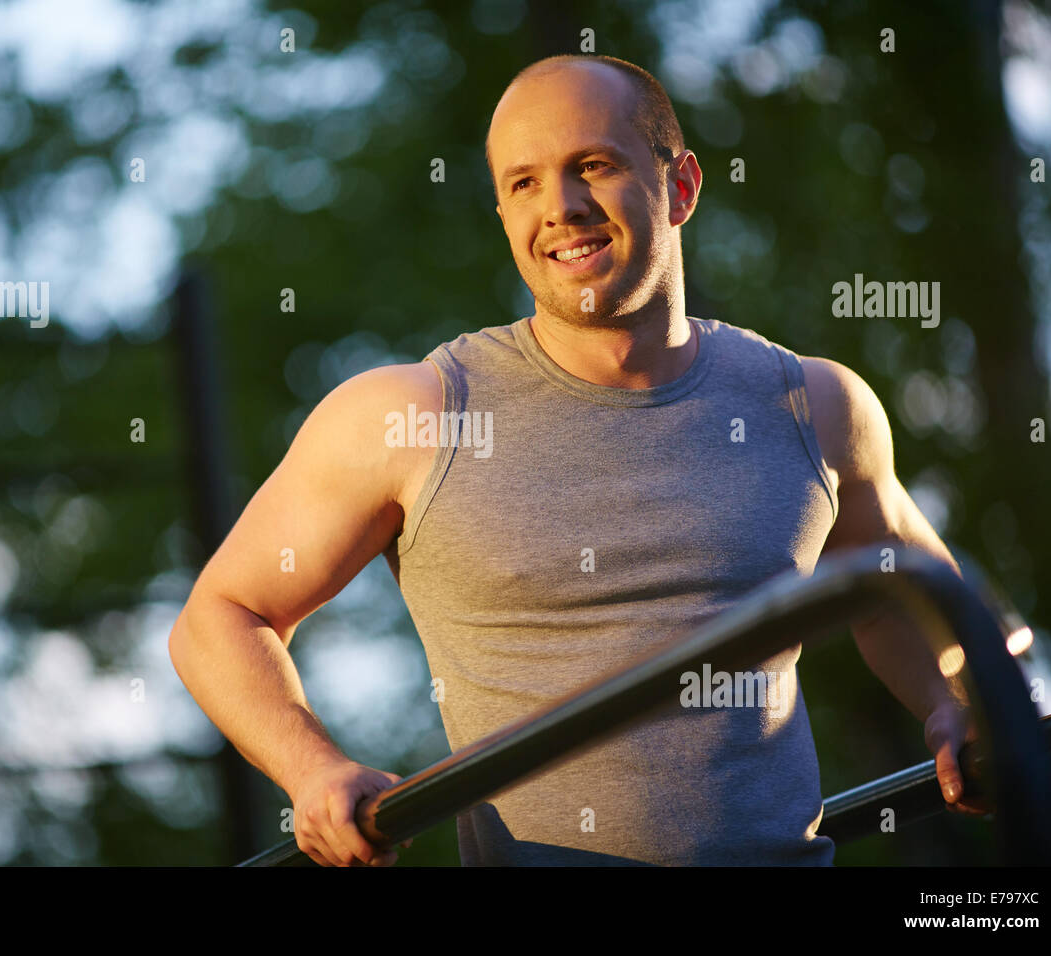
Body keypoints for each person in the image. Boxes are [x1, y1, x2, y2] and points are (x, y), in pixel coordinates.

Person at [168, 54, 986, 867]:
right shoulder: (410, 414)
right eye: (523, 183)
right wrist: (313, 771)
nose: (560, 207)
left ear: (683, 187)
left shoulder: (814, 406)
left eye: (592, 165)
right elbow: (221, 616)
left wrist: (956, 703)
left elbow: (902, 595)